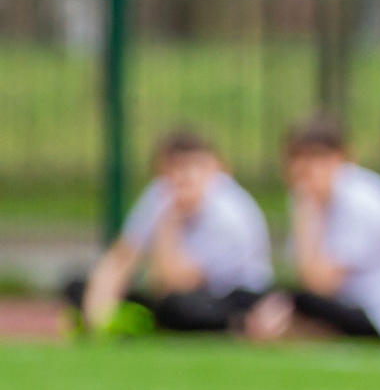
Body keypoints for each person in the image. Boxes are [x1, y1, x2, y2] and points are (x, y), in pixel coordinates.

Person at [246, 115, 380, 345]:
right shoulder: (312, 200)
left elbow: (317, 282)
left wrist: (307, 214)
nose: (307, 169)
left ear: (342, 159)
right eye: (298, 158)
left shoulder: (358, 201)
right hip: (354, 303)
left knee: (292, 302)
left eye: (317, 158)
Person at [65, 128, 272, 337]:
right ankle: (133, 322)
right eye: (175, 168)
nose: (183, 177)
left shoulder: (229, 213)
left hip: (228, 297)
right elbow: (121, 258)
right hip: (174, 292)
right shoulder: (159, 194)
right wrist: (97, 313)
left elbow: (176, 282)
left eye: (192, 167)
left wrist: (168, 224)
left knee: (178, 306)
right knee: (78, 286)